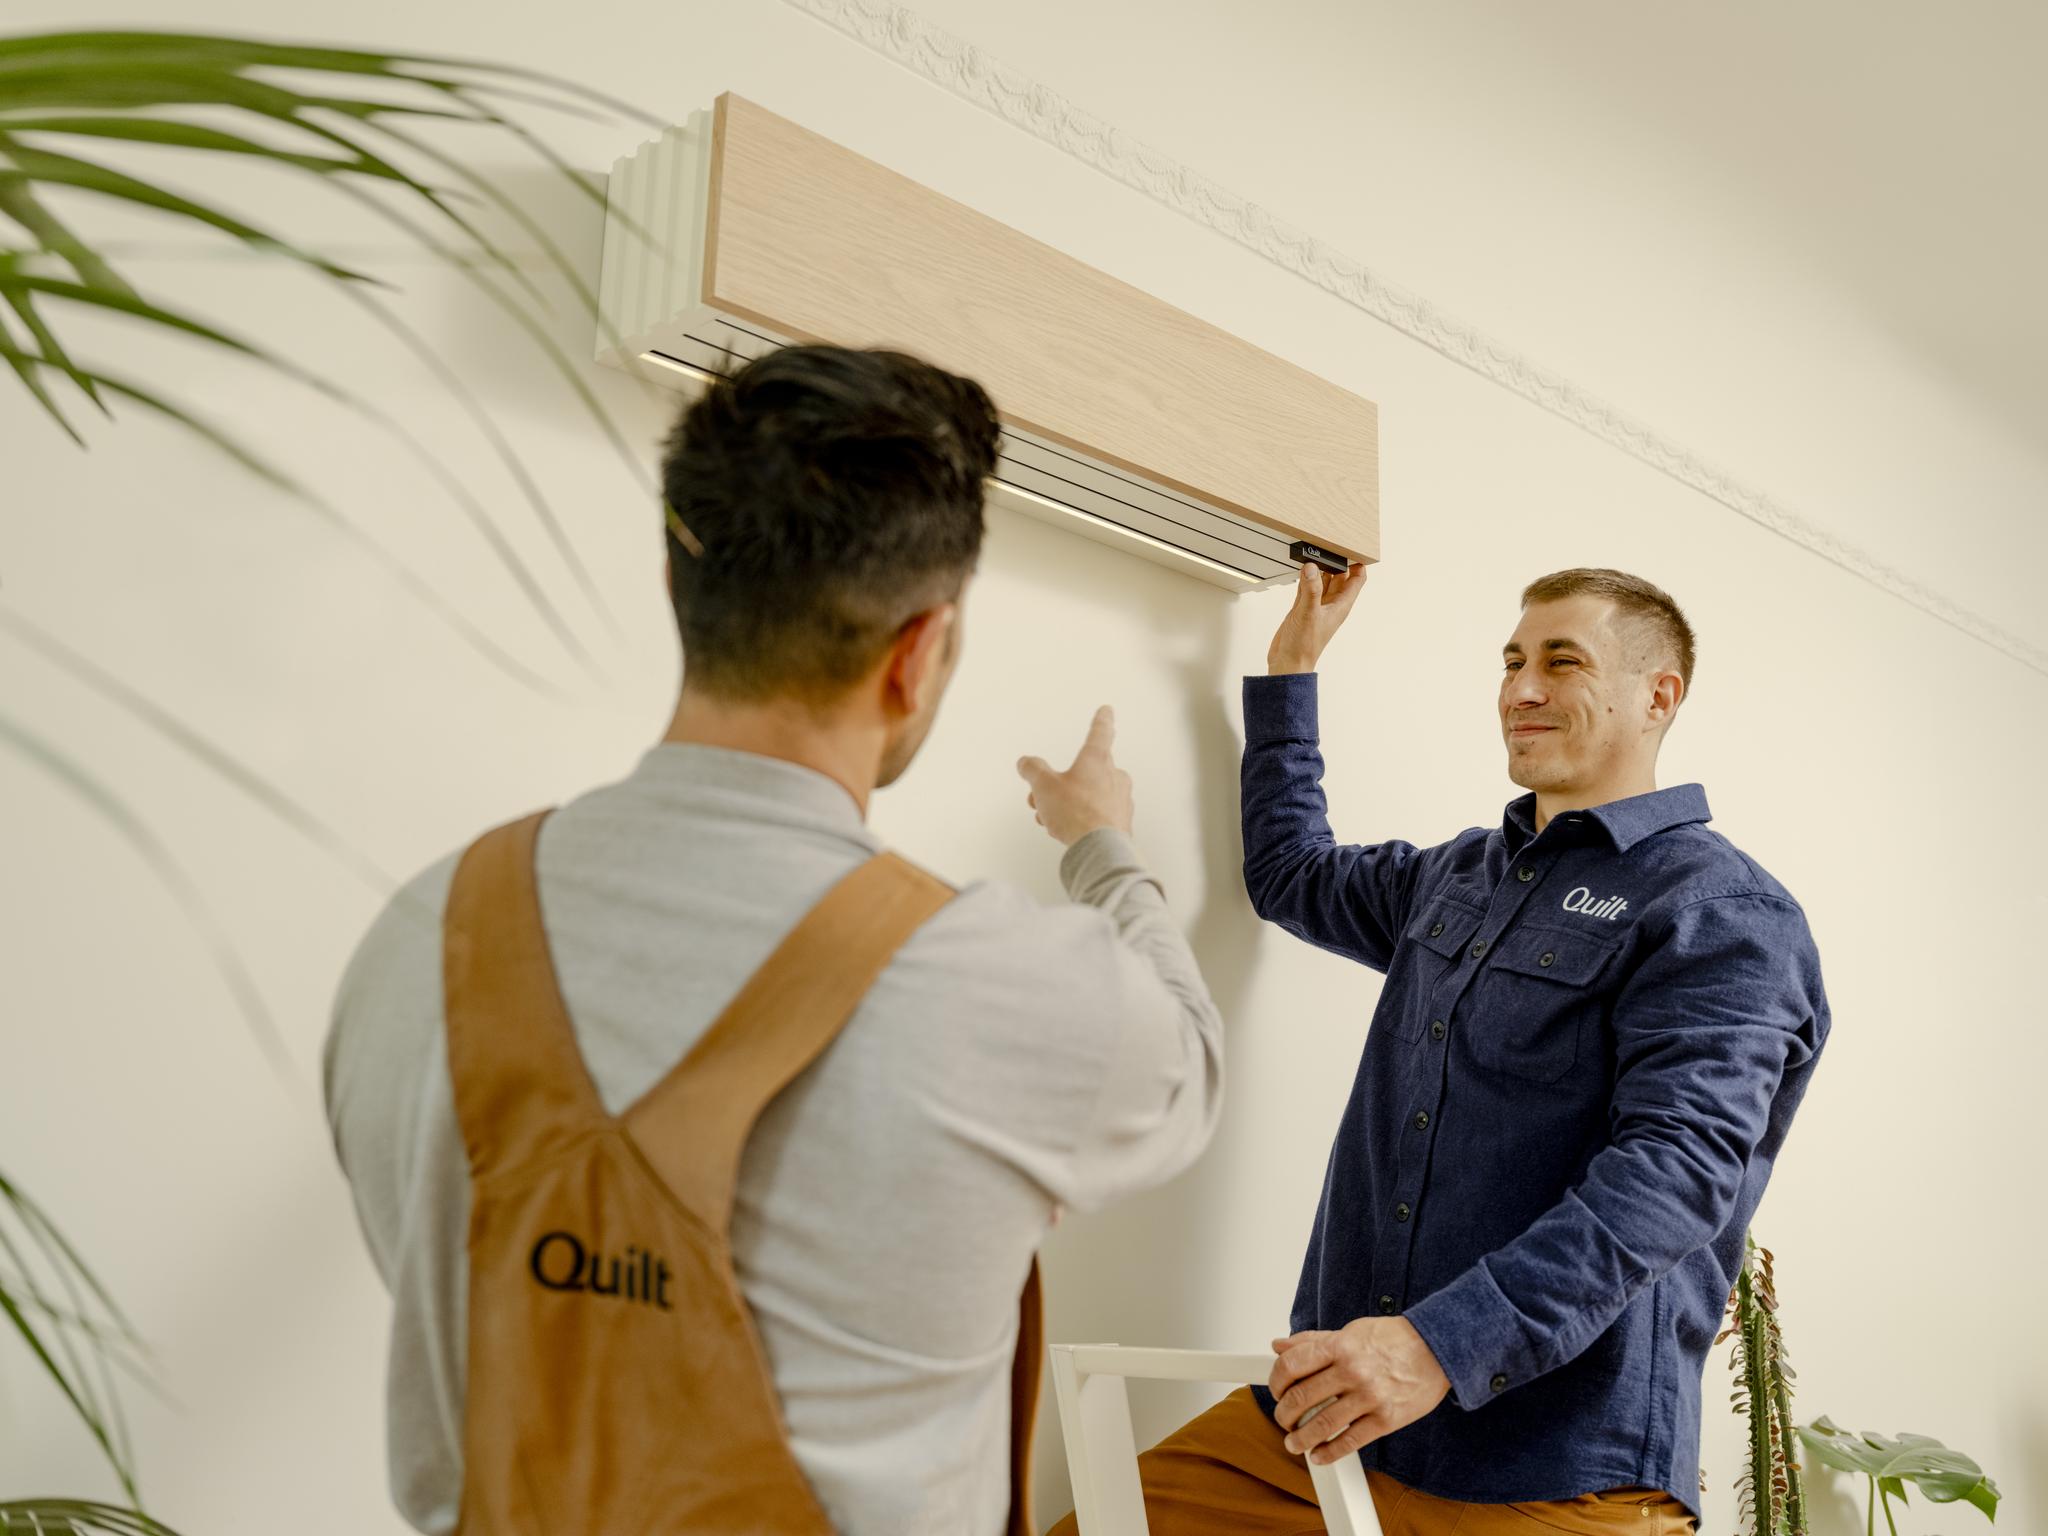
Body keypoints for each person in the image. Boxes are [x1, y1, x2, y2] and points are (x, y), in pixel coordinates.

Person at [323, 344, 1225, 1536]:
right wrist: (1101, 846)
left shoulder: (419, 932)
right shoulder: (1016, 995)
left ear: (674, 584)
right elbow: (1191, 1060)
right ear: (917, 653)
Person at [1053, 561, 1829, 1536]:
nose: (1520, 688)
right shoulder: (1459, 874)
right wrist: (1291, 665)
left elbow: (1671, 1175)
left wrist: (1435, 1348)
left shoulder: (1720, 914)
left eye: (1560, 660)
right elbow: (1291, 872)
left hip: (1555, 1474)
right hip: (1333, 1433)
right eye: (1510, 661)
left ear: (1655, 694)